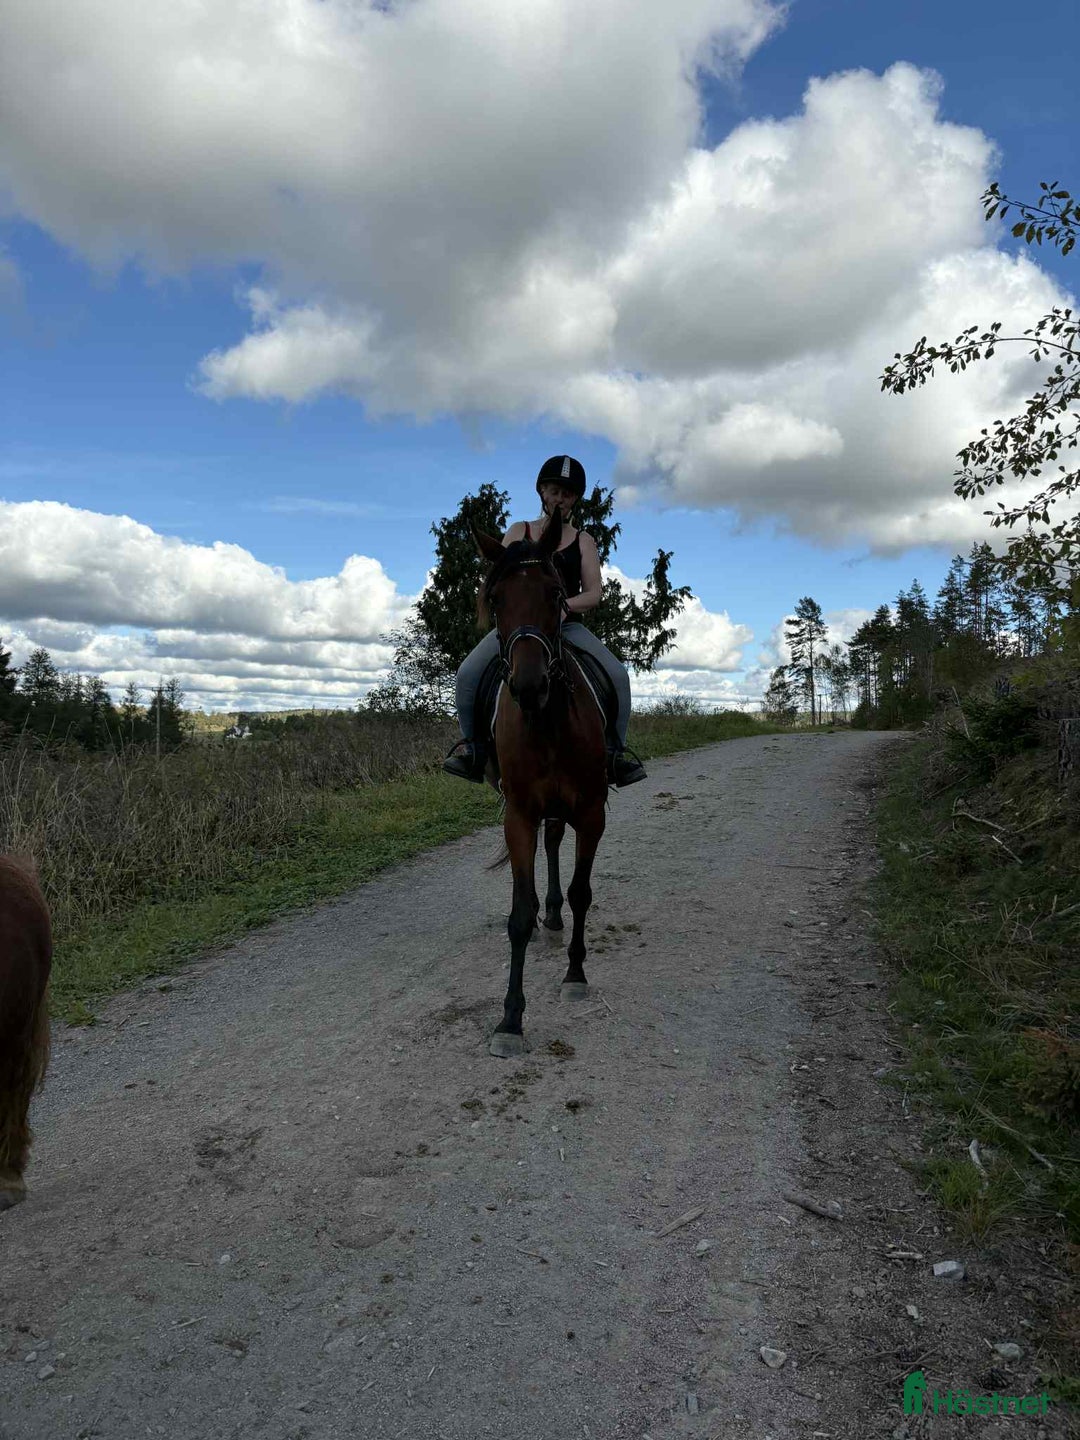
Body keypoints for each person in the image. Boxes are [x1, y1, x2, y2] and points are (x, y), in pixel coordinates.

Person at [443, 455, 647, 788]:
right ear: (542, 492)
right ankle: (474, 750)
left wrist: (564, 606)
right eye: (554, 491)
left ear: (575, 499)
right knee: (467, 674)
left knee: (617, 675)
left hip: (566, 627)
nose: (559, 499)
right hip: (519, 628)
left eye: (567, 494)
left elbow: (594, 592)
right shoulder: (519, 531)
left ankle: (614, 753)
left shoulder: (584, 541)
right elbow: (501, 576)